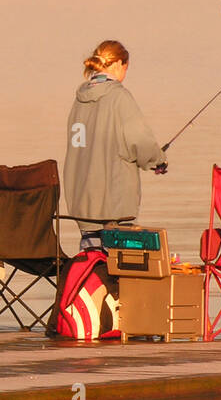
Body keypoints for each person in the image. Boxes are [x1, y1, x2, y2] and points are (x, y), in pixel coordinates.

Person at [63, 40, 167, 251]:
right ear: (119, 64)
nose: (125, 74)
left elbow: (80, 146)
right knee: (118, 264)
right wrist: (158, 161)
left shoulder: (79, 100)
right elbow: (139, 140)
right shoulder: (119, 97)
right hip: (115, 204)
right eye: (126, 68)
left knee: (93, 262)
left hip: (82, 203)